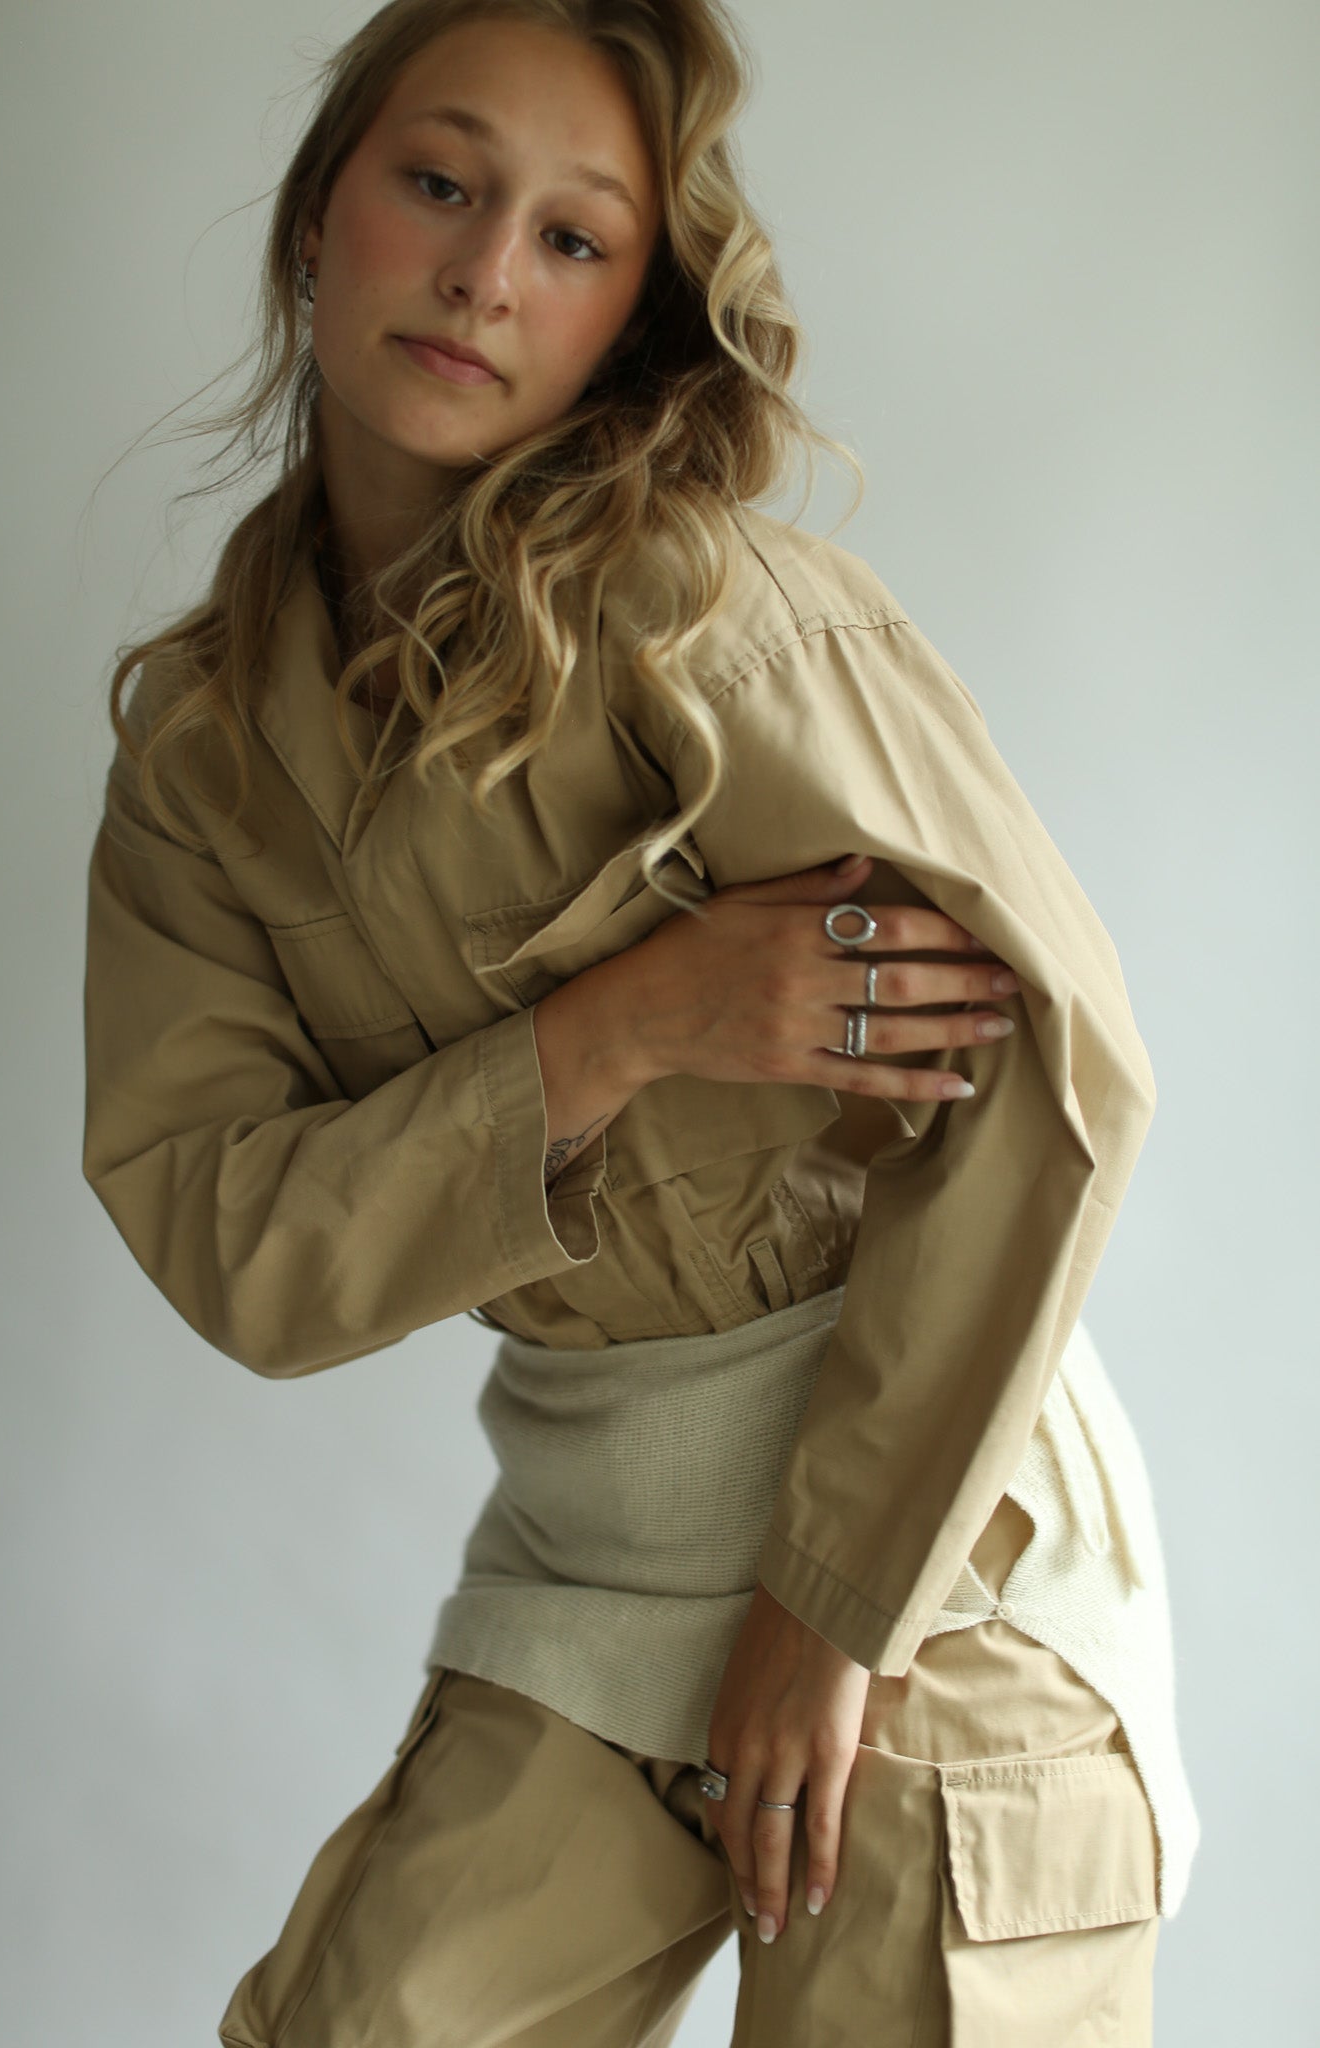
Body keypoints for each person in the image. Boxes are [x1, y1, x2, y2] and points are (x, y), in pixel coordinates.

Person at [81, 1, 1200, 2041]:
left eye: (571, 238)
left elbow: (1050, 1077)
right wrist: (622, 1025)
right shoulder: (203, 759)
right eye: (436, 183)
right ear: (318, 214)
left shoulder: (710, 615)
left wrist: (827, 1606)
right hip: (599, 1562)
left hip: (920, 1572)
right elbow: (234, 1238)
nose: (484, 272)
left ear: (632, 320)